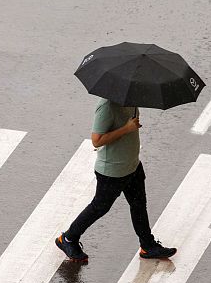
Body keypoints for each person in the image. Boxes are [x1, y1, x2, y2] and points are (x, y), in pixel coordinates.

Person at [55, 99, 177, 262]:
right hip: (112, 171)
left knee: (139, 204)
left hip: (132, 165)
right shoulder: (106, 107)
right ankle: (68, 238)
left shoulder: (132, 98)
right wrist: (126, 129)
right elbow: (96, 140)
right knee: (100, 207)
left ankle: (147, 245)